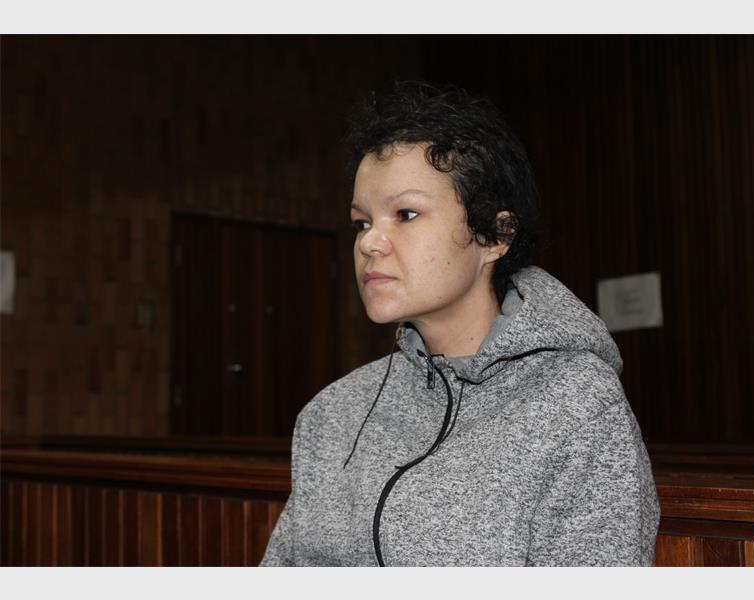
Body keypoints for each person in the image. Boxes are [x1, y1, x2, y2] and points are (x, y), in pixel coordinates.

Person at [261, 81, 660, 567]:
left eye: (405, 214)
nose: (369, 243)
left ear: (495, 236)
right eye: (362, 222)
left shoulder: (575, 406)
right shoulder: (333, 414)